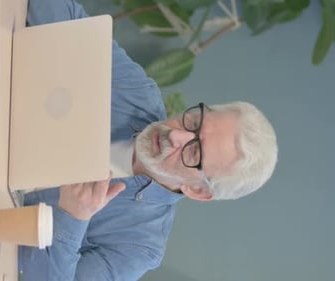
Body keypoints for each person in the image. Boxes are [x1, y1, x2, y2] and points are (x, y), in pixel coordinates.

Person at [19, 1, 278, 280]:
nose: (175, 134)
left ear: (198, 191)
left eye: (193, 152)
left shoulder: (140, 246)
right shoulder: (138, 95)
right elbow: (61, 14)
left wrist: (71, 217)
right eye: (193, 122)